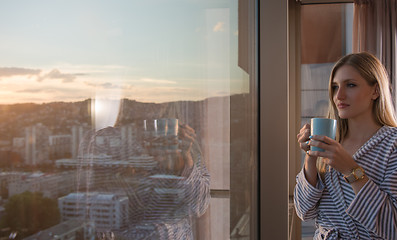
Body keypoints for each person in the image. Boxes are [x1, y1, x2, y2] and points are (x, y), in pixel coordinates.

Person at [294, 52, 397, 239]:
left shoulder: (392, 145)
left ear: (375, 91)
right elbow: (304, 212)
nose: (339, 95)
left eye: (350, 85)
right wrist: (311, 157)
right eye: (335, 87)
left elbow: (393, 228)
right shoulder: (331, 141)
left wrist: (351, 170)